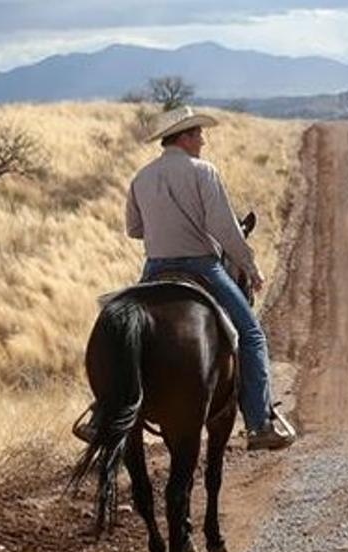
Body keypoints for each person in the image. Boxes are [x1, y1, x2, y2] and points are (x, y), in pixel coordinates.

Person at [78, 105, 296, 450]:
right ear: (185, 136)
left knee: (121, 329)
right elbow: (224, 227)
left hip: (154, 268)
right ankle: (259, 422)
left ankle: (101, 414)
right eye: (199, 134)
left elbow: (134, 229)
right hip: (202, 266)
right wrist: (250, 266)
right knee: (252, 334)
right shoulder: (203, 171)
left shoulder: (141, 177)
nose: (203, 141)